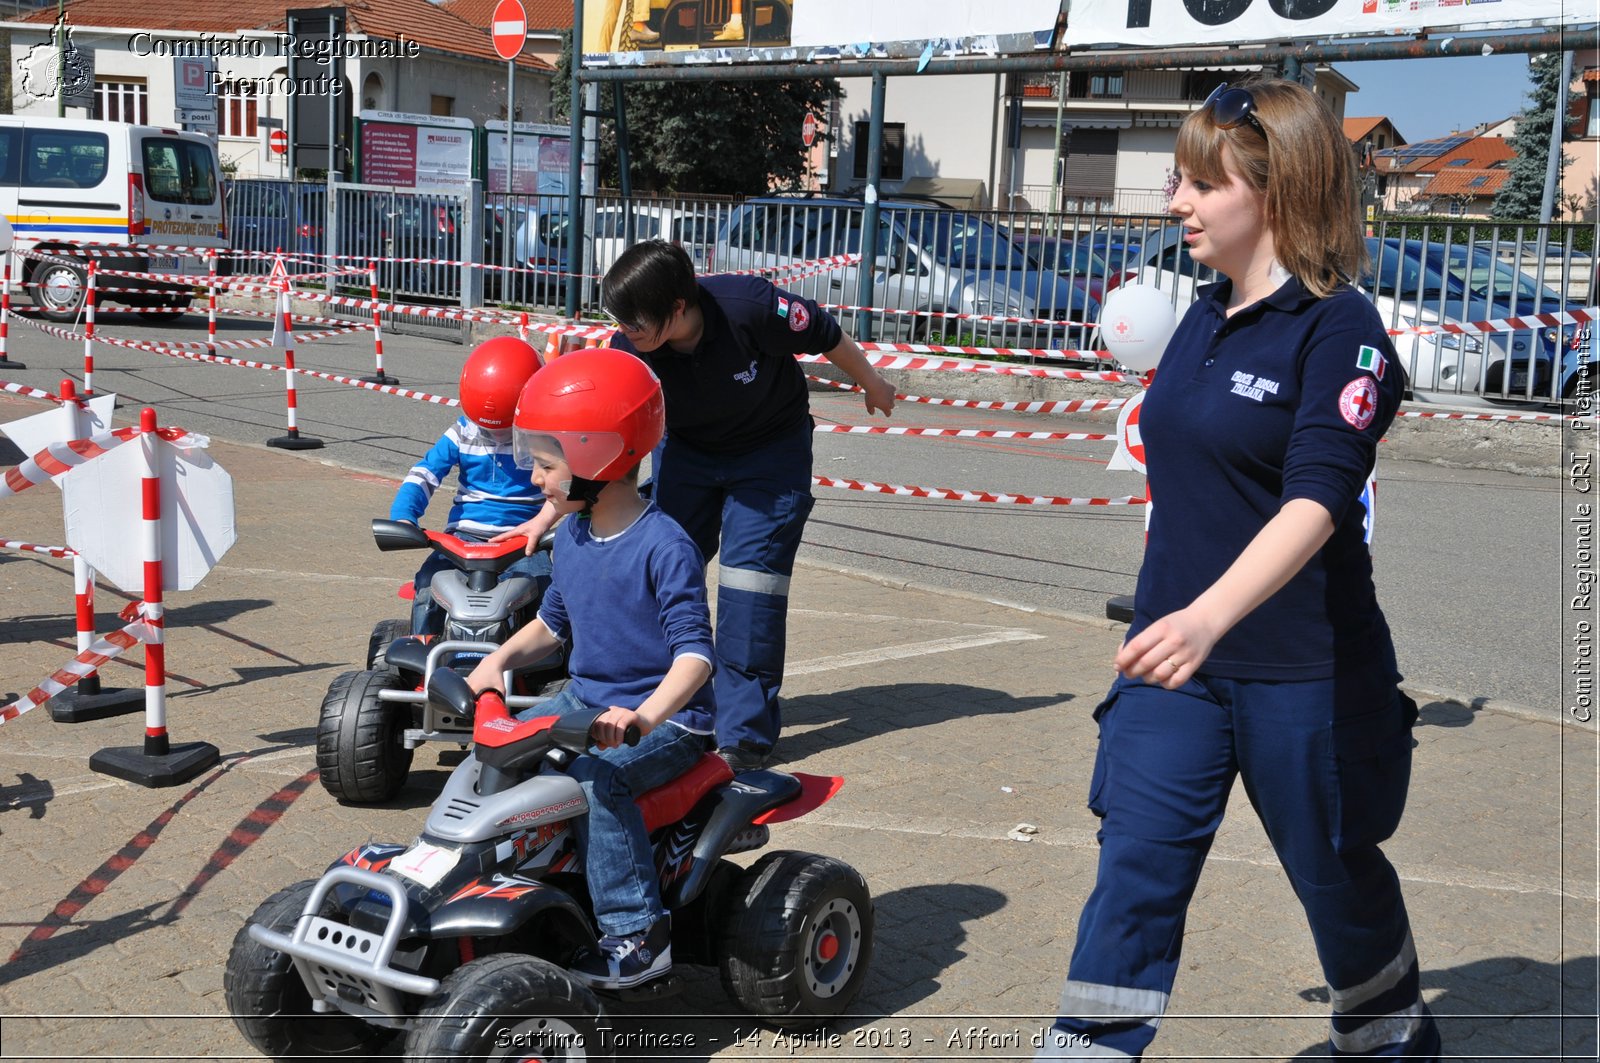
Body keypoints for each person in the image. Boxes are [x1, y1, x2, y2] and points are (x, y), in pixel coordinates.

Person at [1038, 78, 1441, 1060]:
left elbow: (1317, 498)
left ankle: (1388, 1027)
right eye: (1176, 179)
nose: (1174, 200)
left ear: (1273, 189)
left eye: (1197, 182)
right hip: (1177, 663)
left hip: (1306, 669)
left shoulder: (1340, 331)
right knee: (1134, 861)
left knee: (1331, 865)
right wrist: (1178, 616)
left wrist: (1210, 613)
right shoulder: (1200, 317)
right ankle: (1086, 1045)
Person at [466, 347, 715, 990]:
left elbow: (695, 656)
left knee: (600, 779)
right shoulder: (573, 534)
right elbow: (551, 627)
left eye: (547, 466)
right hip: (586, 700)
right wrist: (495, 662)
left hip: (668, 721)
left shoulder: (665, 546)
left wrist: (643, 717)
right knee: (497, 751)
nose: (537, 481)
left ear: (597, 460)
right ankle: (484, 882)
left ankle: (637, 935)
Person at [599, 238, 896, 772]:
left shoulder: (749, 308)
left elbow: (827, 334)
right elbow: (613, 431)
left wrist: (871, 382)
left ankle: (743, 737)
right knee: (656, 569)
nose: (625, 332)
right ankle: (654, 702)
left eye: (635, 321)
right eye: (618, 320)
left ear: (678, 308)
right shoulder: (628, 350)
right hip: (687, 453)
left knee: (749, 586)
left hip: (769, 453)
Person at [390, 336, 557, 636]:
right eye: (487, 430)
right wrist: (405, 516)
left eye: (505, 431)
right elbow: (425, 474)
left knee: (545, 589)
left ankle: (540, 665)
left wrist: (548, 526)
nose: (494, 438)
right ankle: (423, 655)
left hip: (523, 540)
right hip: (464, 539)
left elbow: (564, 485)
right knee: (429, 582)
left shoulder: (542, 438)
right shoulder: (463, 432)